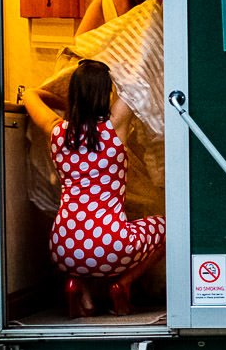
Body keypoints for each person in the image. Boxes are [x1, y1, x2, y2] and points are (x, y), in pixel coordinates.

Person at [23, 59, 166, 317]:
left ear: (74, 91)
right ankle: (123, 284)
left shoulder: (57, 131)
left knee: (84, 248)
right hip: (112, 245)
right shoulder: (114, 126)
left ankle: (79, 288)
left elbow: (30, 94)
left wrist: (66, 104)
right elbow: (136, 84)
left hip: (63, 247)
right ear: (106, 92)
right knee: (167, 230)